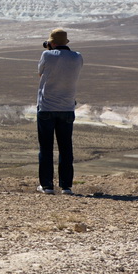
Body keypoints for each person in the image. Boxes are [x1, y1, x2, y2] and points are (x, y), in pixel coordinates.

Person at [36, 28, 83, 195]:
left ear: (52, 43)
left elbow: (40, 72)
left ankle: (47, 186)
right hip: (67, 108)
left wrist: (49, 50)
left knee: (46, 148)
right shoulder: (77, 57)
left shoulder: (47, 55)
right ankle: (66, 186)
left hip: (47, 107)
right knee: (65, 148)